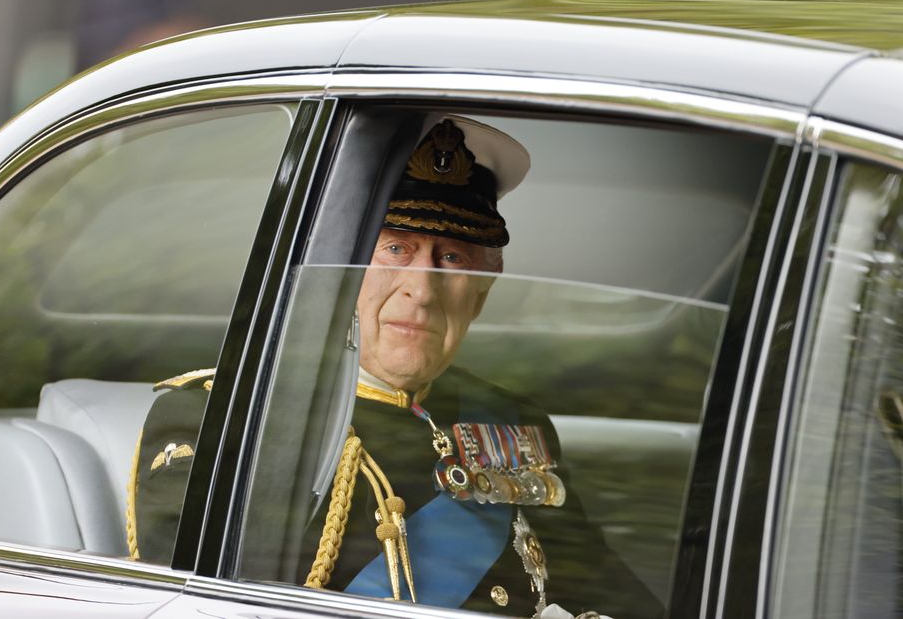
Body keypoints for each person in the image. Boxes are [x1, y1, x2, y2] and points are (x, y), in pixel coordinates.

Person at [130, 117, 663, 619]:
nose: (422, 288)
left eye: (451, 258)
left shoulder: (512, 422)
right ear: (343, 272)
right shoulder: (224, 418)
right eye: (395, 249)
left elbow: (610, 593)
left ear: (483, 289)